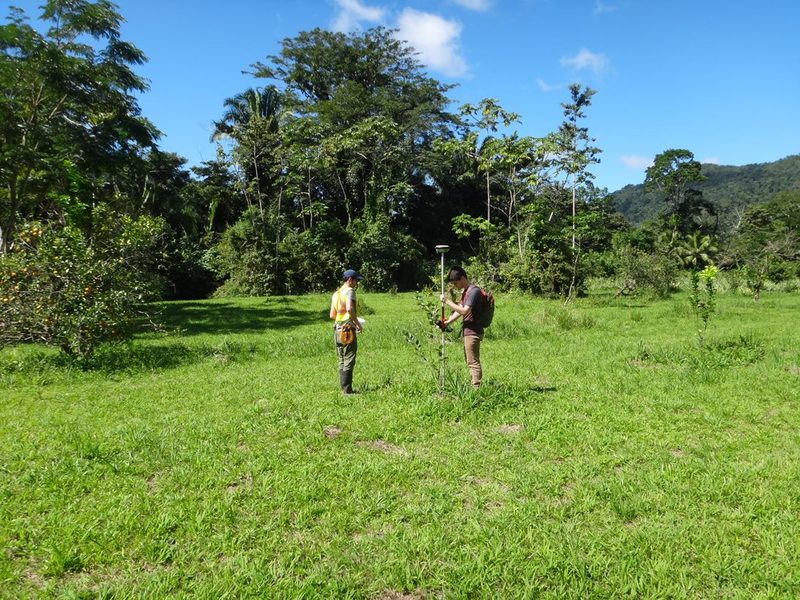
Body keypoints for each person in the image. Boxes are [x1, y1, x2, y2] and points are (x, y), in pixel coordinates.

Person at [439, 266, 485, 388]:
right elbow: (459, 311)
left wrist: (447, 302)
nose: (455, 285)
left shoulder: (473, 291)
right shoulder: (467, 292)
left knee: (472, 362)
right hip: (469, 330)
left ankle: (476, 389)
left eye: (455, 282)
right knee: (470, 360)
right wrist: (447, 322)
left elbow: (464, 311)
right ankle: (475, 385)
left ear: (463, 278)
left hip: (473, 331)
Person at [329, 269, 364, 394]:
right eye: (356, 281)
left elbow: (332, 315)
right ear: (350, 280)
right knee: (349, 358)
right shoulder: (350, 291)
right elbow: (349, 308)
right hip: (348, 329)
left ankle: (344, 388)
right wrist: (358, 324)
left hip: (337, 329)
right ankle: (347, 391)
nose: (356, 284)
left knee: (342, 359)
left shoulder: (336, 294)